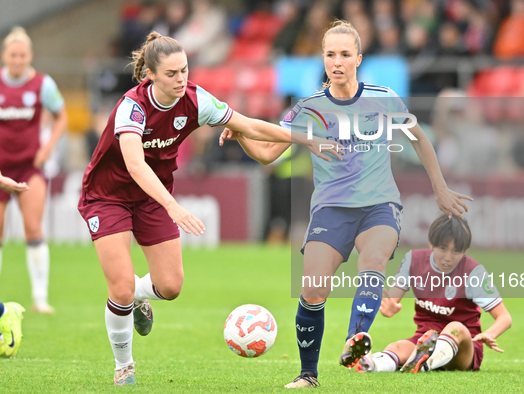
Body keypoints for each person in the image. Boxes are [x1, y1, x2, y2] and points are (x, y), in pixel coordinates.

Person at [219, 20, 472, 388]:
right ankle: (308, 374)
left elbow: (419, 139)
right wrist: (240, 133)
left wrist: (440, 189)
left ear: (358, 58)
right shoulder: (307, 108)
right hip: (331, 210)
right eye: (330, 54)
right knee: (313, 290)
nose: (337, 62)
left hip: (379, 206)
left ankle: (355, 340)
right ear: (322, 59)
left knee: (372, 263)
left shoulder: (383, 98)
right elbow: (266, 154)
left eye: (345, 54)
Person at [77, 31, 338, 386]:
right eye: (171, 73)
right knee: (120, 288)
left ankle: (140, 297)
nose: (181, 78)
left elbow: (248, 125)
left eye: (184, 70)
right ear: (150, 75)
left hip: (152, 198)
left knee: (170, 286)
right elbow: (136, 166)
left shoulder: (197, 100)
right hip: (107, 196)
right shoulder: (132, 107)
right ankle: (124, 367)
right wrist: (173, 206)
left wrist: (308, 139)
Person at [355, 214, 512, 373]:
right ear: (431, 244)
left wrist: (489, 334)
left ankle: (423, 363)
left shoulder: (474, 273)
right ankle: (371, 365)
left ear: (465, 251)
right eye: (442, 249)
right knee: (396, 347)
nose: (448, 257)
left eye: (456, 251)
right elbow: (393, 300)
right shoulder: (413, 260)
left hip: (463, 347)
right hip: (425, 339)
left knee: (456, 327)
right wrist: (389, 308)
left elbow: (505, 317)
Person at [0, 27, 67, 314]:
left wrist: (48, 146)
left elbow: (61, 116)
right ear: (5, 56)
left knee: (33, 227)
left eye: (22, 55)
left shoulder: (43, 84)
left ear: (30, 56)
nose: (17, 60)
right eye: (13, 55)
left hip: (30, 167)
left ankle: (40, 298)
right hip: (1, 169)